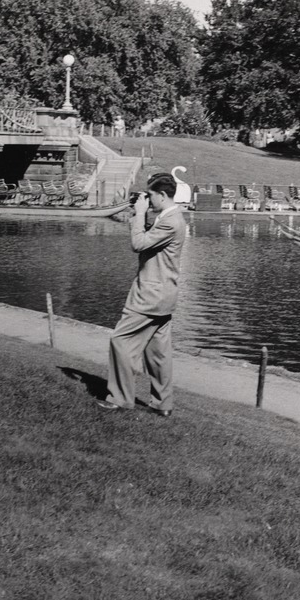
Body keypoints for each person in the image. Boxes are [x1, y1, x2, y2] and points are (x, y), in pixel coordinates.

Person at [101, 173, 187, 417]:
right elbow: (150, 242)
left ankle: (120, 398)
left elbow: (138, 244)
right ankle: (163, 404)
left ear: (162, 195)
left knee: (120, 340)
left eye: (150, 196)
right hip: (164, 296)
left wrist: (139, 214)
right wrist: (144, 216)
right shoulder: (170, 217)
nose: (147, 200)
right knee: (157, 352)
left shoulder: (171, 222)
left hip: (149, 297)